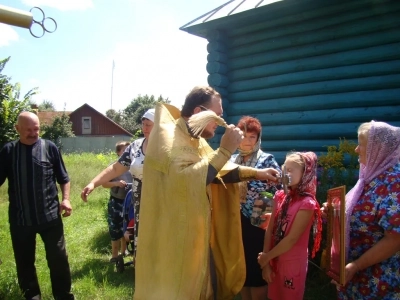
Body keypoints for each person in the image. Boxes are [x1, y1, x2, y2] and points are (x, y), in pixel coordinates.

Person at [133, 86, 280, 300]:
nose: (220, 122)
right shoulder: (167, 136)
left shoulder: (198, 139)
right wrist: (225, 150)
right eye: (217, 116)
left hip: (197, 231)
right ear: (198, 112)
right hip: (171, 234)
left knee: (203, 285)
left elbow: (218, 171)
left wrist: (258, 173)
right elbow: (187, 180)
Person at [0, 111, 74, 300]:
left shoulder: (49, 148)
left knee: (58, 260)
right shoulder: (8, 151)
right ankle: (32, 296)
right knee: (24, 263)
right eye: (28, 130)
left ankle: (63, 296)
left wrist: (65, 199)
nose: (33, 133)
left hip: (50, 217)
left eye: (37, 129)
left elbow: (64, 178)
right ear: (17, 129)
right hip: (21, 219)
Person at [336, 121, 400, 299]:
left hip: (379, 282)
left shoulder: (395, 182)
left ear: (377, 148)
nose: (356, 149)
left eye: (361, 145)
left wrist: (357, 265)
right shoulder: (370, 175)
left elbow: (395, 238)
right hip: (356, 280)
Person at [81, 108, 155, 257]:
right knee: (140, 246)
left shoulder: (168, 148)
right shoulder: (135, 147)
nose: (145, 128)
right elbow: (115, 168)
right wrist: (93, 184)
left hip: (160, 205)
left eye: (149, 125)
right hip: (139, 206)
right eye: (143, 124)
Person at [230, 116, 281, 300]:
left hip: (258, 222)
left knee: (256, 267)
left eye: (252, 137)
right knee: (242, 267)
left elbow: (278, 189)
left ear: (258, 139)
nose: (246, 141)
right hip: (235, 221)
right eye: (243, 135)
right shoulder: (231, 160)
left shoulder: (266, 160)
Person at [258, 152, 322, 300]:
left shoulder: (307, 203)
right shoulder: (280, 196)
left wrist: (267, 257)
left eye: (291, 170)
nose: (286, 173)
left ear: (305, 173)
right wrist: (266, 264)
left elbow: (292, 239)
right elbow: (270, 229)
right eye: (285, 169)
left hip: (292, 265)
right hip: (274, 261)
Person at [102, 141, 132, 262]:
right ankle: (114, 256)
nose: (127, 153)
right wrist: (116, 183)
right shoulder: (113, 167)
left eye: (129, 150)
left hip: (130, 202)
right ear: (118, 152)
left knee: (126, 227)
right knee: (115, 229)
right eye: (124, 150)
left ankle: (124, 251)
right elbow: (104, 183)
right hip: (116, 202)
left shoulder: (134, 165)